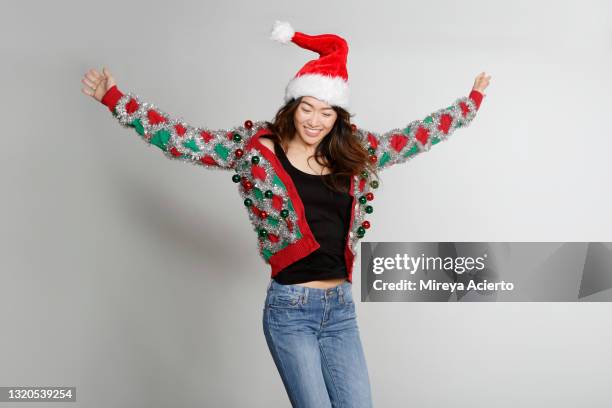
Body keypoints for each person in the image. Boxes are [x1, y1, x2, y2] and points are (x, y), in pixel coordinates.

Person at [81, 20, 490, 408]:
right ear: (294, 105)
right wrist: (116, 99)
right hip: (290, 310)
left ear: (338, 117)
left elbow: (411, 139)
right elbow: (185, 141)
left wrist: (468, 105)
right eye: (308, 108)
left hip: (341, 308)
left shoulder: (353, 154)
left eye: (327, 113)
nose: (315, 121)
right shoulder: (255, 151)